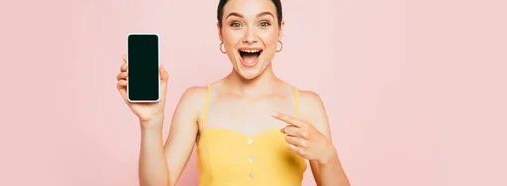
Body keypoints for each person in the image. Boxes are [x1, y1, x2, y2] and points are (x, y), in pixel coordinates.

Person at [116, 0, 350, 185]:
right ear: (220, 32)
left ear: (280, 30)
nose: (250, 37)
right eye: (236, 24)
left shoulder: (307, 105)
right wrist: (151, 122)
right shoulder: (197, 101)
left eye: (264, 23)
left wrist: (328, 156)